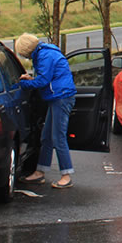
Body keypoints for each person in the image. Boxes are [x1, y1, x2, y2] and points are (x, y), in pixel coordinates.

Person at [14, 33, 77, 189]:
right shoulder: (45, 52)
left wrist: (23, 84)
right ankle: (40, 172)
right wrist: (31, 79)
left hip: (60, 98)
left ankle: (66, 176)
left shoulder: (44, 56)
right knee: (47, 137)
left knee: (58, 137)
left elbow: (43, 80)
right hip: (58, 97)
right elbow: (45, 77)